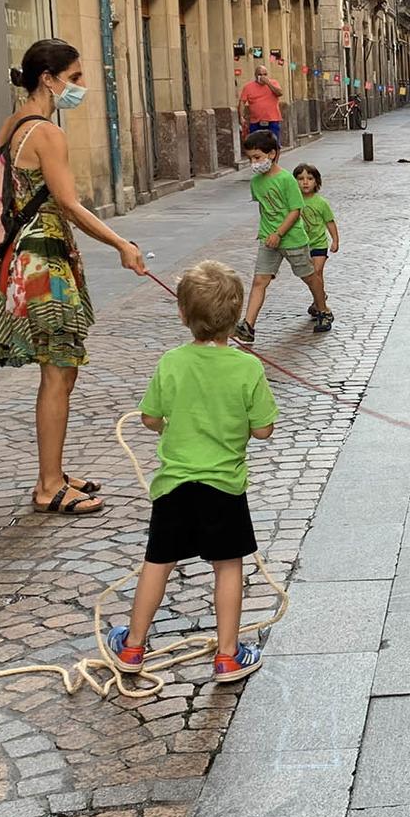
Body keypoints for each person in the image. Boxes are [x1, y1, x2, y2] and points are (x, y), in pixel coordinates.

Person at [0, 39, 149, 516]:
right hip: (44, 263)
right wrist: (122, 245)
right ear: (48, 79)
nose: (81, 88)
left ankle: (50, 471)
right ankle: (49, 485)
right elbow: (70, 205)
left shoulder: (12, 125)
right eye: (74, 78)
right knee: (57, 372)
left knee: (60, 370)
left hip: (25, 259)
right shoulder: (47, 134)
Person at [107, 260, 277, 685]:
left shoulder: (172, 362)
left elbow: (149, 418)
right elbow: (264, 429)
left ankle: (132, 646)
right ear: (236, 318)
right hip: (223, 486)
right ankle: (226, 655)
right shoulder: (248, 367)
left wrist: (170, 424)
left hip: (175, 486)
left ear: (183, 315)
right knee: (228, 565)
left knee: (157, 562)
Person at [238, 129, 332, 343]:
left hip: (293, 239)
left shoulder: (286, 180)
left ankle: (323, 309)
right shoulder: (256, 183)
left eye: (257, 157)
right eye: (250, 158)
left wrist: (279, 233)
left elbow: (295, 210)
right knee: (260, 280)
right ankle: (248, 325)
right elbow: (264, 209)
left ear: (271, 154)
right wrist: (267, 234)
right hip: (268, 240)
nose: (254, 163)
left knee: (310, 277)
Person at [293, 163, 339, 297]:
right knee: (310, 276)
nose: (305, 182)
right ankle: (319, 295)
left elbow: (329, 222)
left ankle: (318, 300)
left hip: (319, 243)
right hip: (302, 244)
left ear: (316, 182)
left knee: (317, 271)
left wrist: (335, 240)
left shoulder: (321, 203)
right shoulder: (293, 201)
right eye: (301, 179)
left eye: (310, 178)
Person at [239, 63, 284, 146]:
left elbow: (279, 93)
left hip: (272, 120)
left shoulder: (273, 83)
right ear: (256, 75)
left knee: (274, 143)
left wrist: (268, 83)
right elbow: (242, 102)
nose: (262, 76)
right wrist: (241, 116)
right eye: (260, 74)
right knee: (255, 144)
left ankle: (274, 158)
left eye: (265, 74)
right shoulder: (248, 87)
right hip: (256, 121)